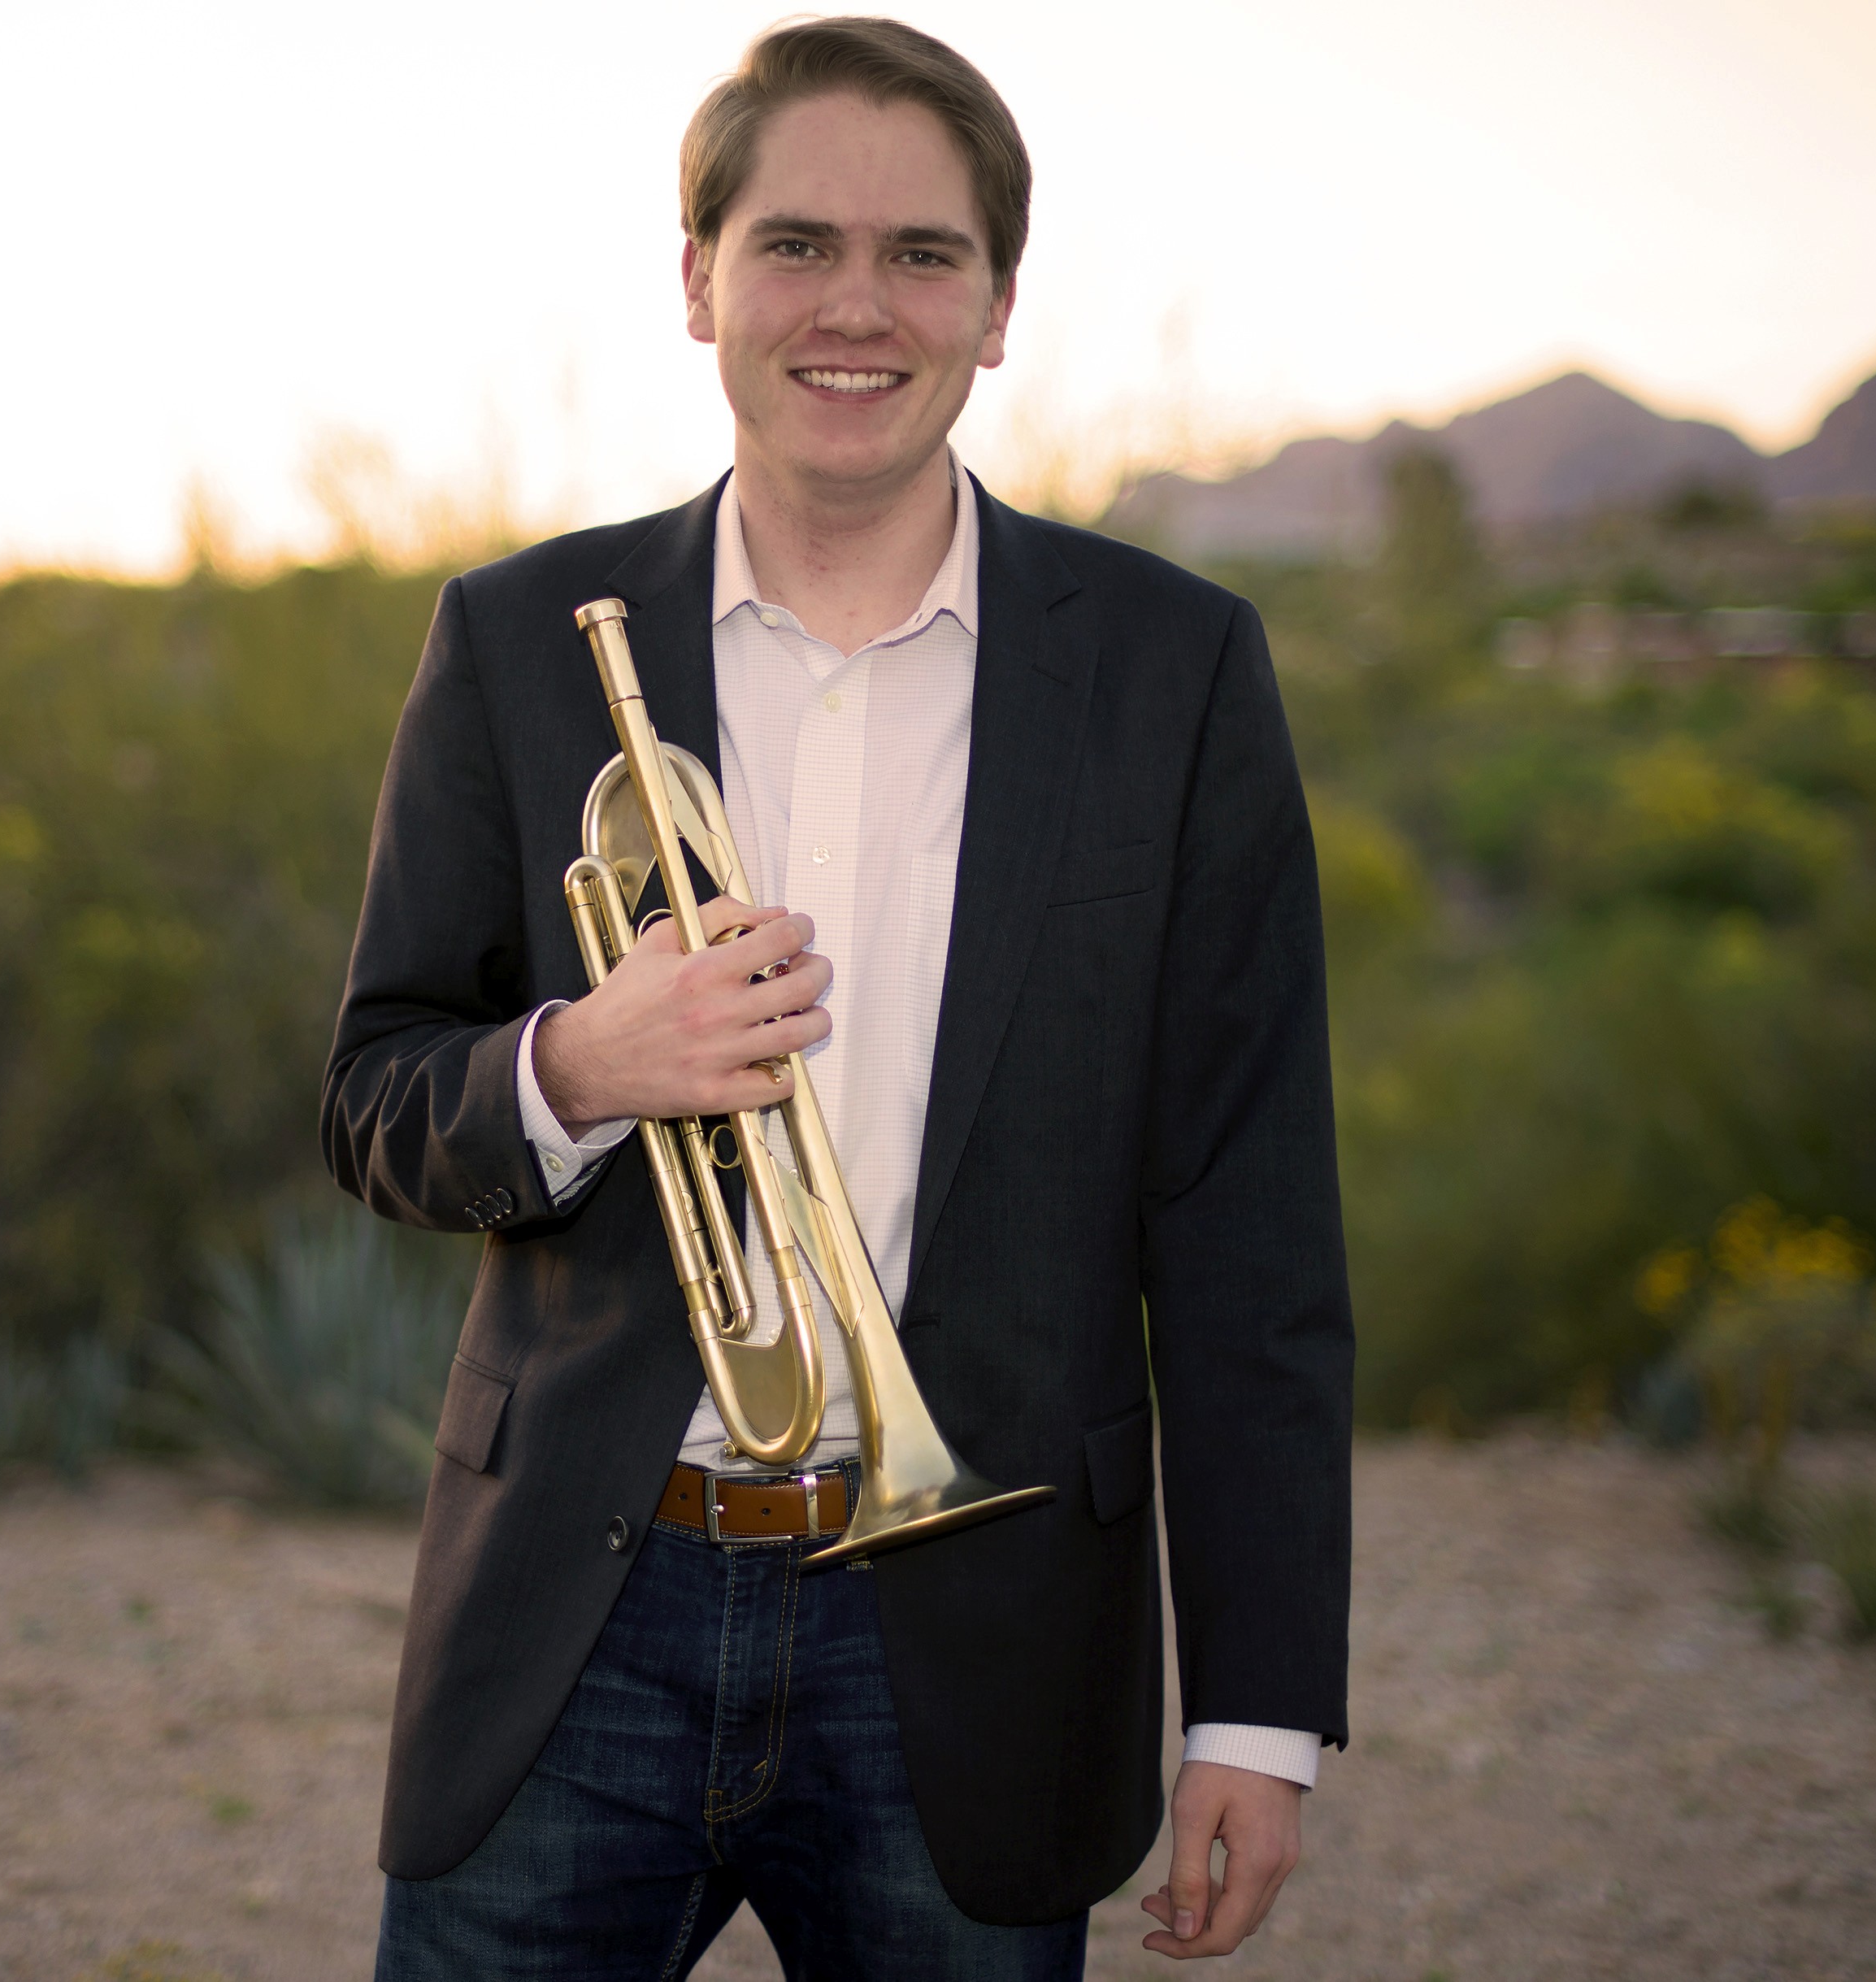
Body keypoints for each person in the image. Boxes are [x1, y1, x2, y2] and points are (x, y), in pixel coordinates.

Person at [323, 17, 1350, 1977]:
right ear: (698, 280)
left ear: (999, 305)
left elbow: (1251, 1231)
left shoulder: (1177, 670)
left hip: (978, 1636)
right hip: (579, 1623)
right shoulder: (520, 642)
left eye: (921, 254)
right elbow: (373, 1095)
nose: (854, 306)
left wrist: (1254, 1713)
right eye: (794, 245)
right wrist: (578, 1065)